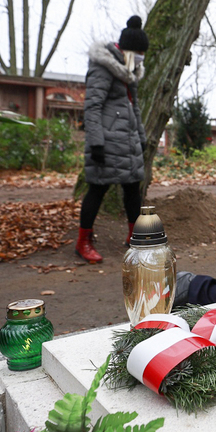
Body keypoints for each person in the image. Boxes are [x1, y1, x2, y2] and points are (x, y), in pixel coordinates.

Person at [74, 16, 149, 263]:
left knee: (132, 191)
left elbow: (133, 107)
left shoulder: (129, 71)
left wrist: (141, 136)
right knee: (97, 189)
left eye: (142, 53)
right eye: (138, 52)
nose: (140, 57)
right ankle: (82, 242)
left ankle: (135, 238)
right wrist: (95, 143)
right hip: (105, 143)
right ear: (126, 50)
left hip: (127, 143)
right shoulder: (103, 67)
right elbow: (92, 106)